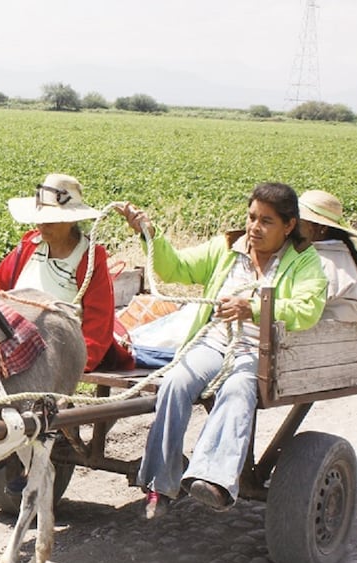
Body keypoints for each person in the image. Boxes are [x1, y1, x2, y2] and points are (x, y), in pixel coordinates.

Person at [116, 182, 327, 519]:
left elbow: (308, 309)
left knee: (238, 389)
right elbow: (176, 268)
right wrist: (150, 234)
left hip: (258, 350)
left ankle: (213, 478)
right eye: (252, 217)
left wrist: (253, 308)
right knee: (175, 383)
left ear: (289, 225)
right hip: (214, 341)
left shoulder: (303, 261)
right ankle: (160, 483)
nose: (254, 227)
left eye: (266, 221)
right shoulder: (227, 247)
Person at [0, 173, 133, 491]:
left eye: (52, 219)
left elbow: (99, 322)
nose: (43, 224)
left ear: (71, 220)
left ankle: (4, 446)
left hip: (60, 346)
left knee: (10, 370)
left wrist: (75, 363)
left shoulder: (89, 258)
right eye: (41, 217)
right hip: (14, 334)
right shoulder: (29, 245)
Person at [298, 189, 357, 322]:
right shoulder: (342, 254)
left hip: (322, 332)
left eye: (299, 223)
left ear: (321, 228)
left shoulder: (319, 261)